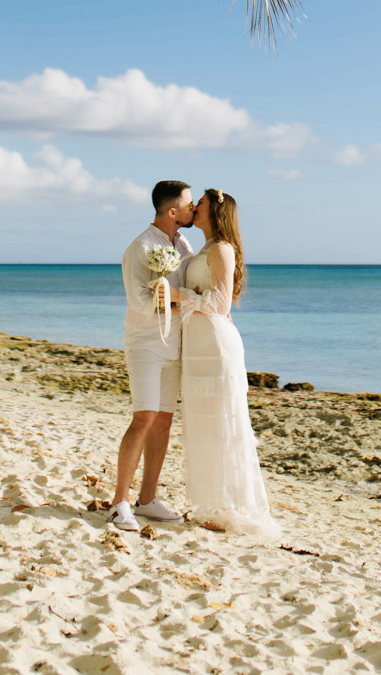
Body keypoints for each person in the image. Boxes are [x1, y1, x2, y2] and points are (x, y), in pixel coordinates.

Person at [171, 187, 279, 540]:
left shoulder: (221, 249)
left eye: (198, 203)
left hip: (216, 346)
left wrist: (177, 296)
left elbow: (220, 304)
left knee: (222, 424)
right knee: (203, 426)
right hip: (197, 344)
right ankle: (213, 505)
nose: (193, 207)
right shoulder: (202, 248)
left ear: (214, 211)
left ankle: (232, 507)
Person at [109, 179, 195, 533]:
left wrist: (183, 297)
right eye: (189, 205)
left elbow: (188, 287)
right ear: (172, 211)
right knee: (143, 418)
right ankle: (119, 504)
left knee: (163, 420)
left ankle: (147, 499)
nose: (194, 210)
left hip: (175, 344)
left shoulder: (182, 243)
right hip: (145, 343)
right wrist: (182, 298)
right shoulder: (140, 247)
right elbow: (140, 304)